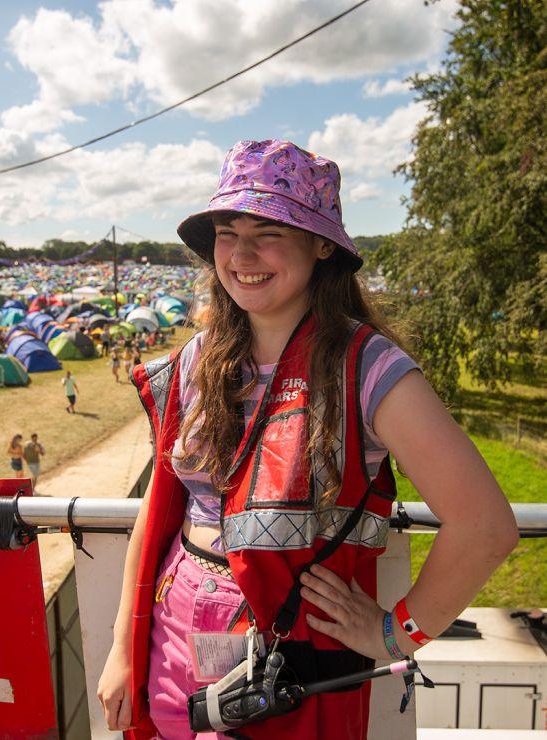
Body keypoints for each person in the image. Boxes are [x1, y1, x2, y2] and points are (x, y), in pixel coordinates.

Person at [97, 140, 519, 739]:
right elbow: (160, 509)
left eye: (268, 230)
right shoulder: (197, 359)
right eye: (226, 230)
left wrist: (393, 634)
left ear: (321, 245)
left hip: (287, 669)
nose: (242, 253)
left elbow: (485, 526)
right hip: (170, 642)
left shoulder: (367, 368)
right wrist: (123, 647)